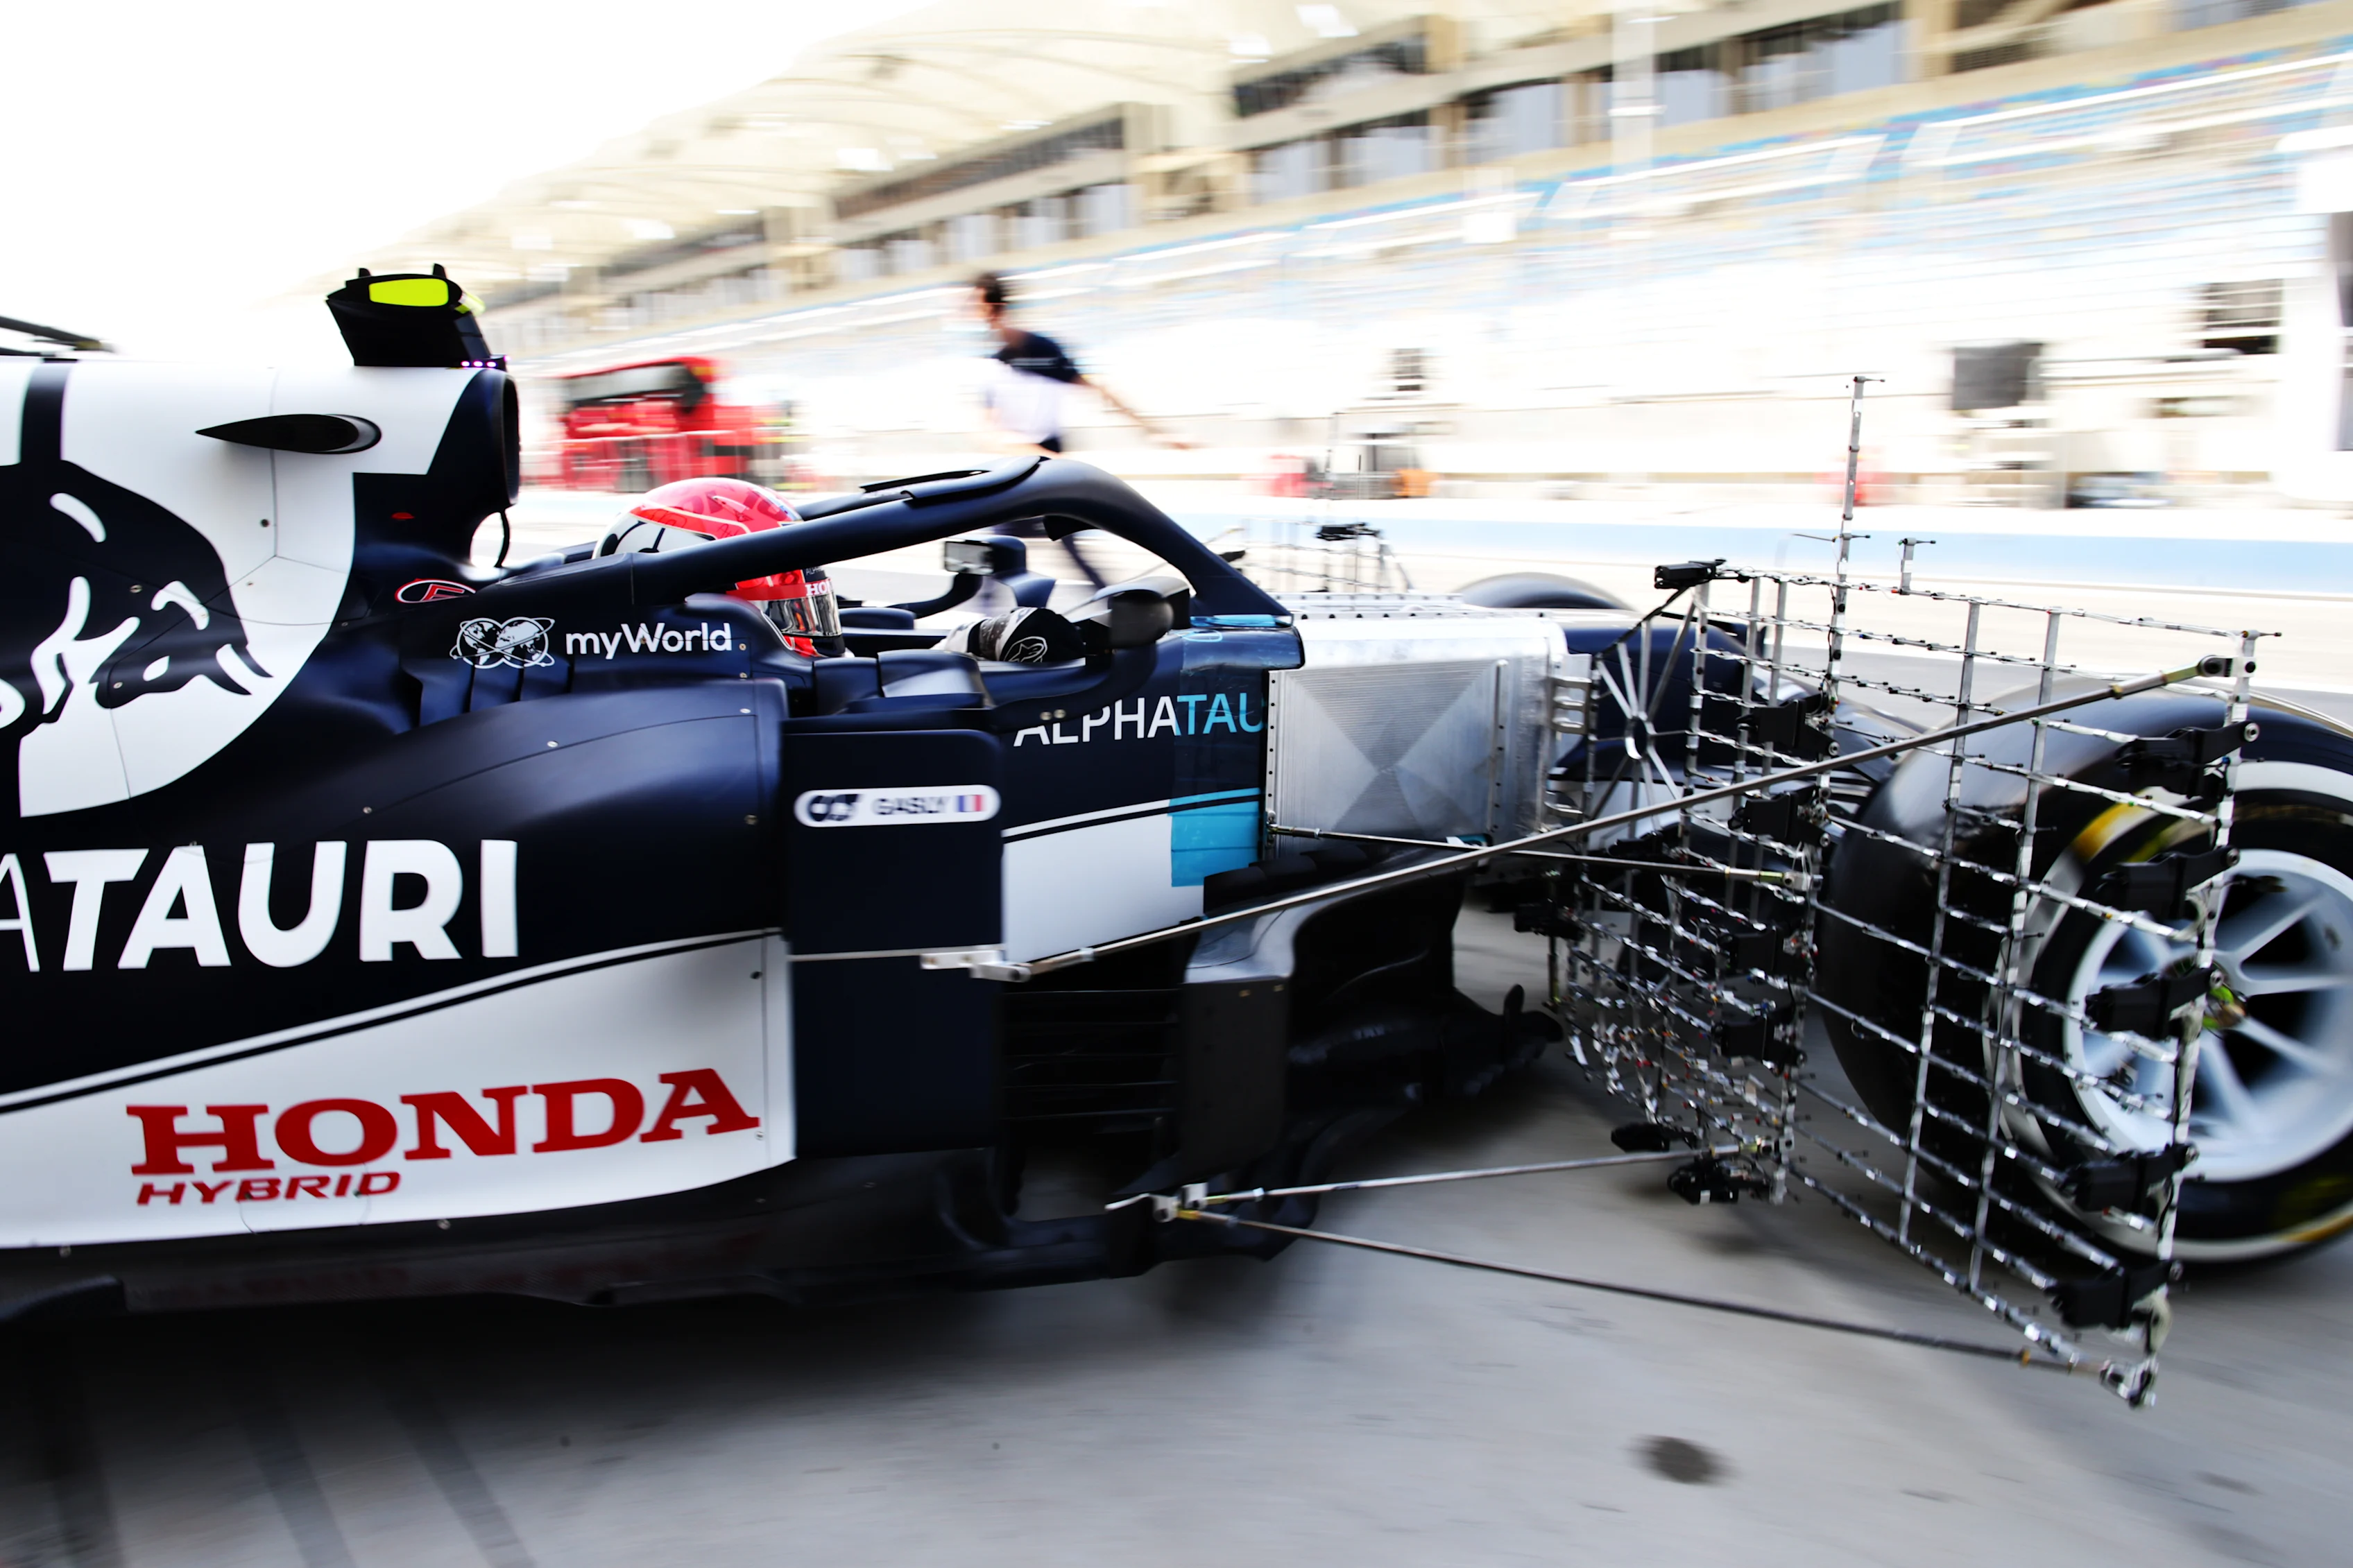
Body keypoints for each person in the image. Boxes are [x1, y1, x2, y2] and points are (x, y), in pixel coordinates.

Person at [970, 271, 1189, 587]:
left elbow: (1096, 388)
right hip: (1023, 470)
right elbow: (990, 434)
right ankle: (1112, 602)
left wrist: (1154, 430)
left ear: (991, 307)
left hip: (1043, 472)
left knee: (1019, 554)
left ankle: (1115, 605)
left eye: (974, 306)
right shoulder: (993, 363)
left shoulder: (1041, 351)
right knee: (1000, 556)